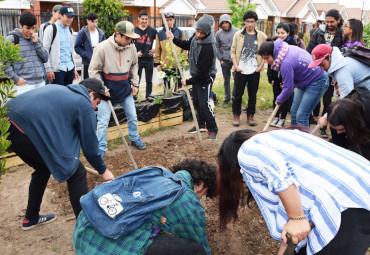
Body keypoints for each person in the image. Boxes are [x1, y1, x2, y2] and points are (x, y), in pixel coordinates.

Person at [217, 128, 370, 255]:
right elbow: (296, 204)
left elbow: (282, 175)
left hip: (345, 205)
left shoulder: (247, 150)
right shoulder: (283, 137)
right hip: (361, 191)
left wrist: (296, 218)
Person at [6, 78, 115, 230]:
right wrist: (103, 170)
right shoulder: (83, 104)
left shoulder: (64, 92)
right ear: (91, 95)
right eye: (98, 102)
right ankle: (85, 229)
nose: (96, 107)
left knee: (42, 168)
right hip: (22, 127)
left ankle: (30, 218)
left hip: (7, 122)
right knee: (76, 173)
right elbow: (90, 147)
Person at [73, 159, 216, 255]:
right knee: (196, 250)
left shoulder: (156, 171)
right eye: (203, 194)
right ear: (199, 185)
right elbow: (199, 239)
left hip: (82, 231)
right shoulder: (186, 198)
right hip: (104, 248)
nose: (200, 199)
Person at [89, 21, 147, 157]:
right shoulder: (102, 48)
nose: (129, 41)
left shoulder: (131, 48)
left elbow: (134, 66)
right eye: (127, 38)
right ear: (117, 34)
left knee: (132, 116)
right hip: (107, 91)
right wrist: (102, 89)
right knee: (103, 121)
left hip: (125, 89)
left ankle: (134, 138)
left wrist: (135, 84)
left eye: (131, 38)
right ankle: (101, 147)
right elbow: (93, 71)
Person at [167, 14, 218, 140]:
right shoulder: (195, 38)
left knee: (204, 104)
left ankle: (212, 129)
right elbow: (186, 45)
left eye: (202, 33)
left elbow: (203, 74)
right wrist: (173, 39)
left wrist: (188, 81)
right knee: (195, 102)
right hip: (197, 76)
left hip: (206, 78)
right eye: (197, 31)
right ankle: (201, 124)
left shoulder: (209, 47)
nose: (199, 35)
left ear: (207, 32)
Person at [258, 39, 329, 127]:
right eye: (263, 59)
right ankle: (293, 137)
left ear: (273, 53)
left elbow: (288, 89)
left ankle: (302, 139)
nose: (265, 61)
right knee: (294, 112)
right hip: (303, 81)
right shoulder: (282, 50)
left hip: (317, 80)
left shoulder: (285, 62)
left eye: (267, 58)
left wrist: (279, 99)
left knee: (301, 115)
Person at [307, 9, 346, 138]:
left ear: (338, 20)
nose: (329, 24)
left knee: (329, 100)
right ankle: (315, 118)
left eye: (332, 21)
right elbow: (310, 50)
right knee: (317, 96)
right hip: (319, 71)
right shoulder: (319, 32)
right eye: (327, 21)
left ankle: (327, 126)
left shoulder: (342, 35)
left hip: (334, 71)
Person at [231, 11, 267, 127]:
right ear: (244, 22)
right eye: (248, 21)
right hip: (240, 69)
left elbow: (265, 53)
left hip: (254, 70)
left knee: (252, 94)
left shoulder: (261, 36)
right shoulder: (238, 35)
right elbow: (233, 51)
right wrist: (236, 66)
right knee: (237, 94)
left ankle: (250, 115)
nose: (250, 24)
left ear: (255, 22)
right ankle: (236, 115)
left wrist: (260, 67)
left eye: (252, 22)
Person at [4, 11, 48, 96]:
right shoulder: (12, 39)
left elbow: (45, 58)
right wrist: (16, 78)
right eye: (28, 28)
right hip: (24, 85)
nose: (31, 31)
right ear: (21, 25)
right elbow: (4, 63)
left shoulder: (36, 39)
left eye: (33, 28)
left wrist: (36, 43)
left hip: (40, 82)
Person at [267, 23, 301, 128]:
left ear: (288, 33)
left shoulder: (292, 45)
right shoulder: (273, 44)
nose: (280, 35)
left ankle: (282, 118)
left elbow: (290, 65)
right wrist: (270, 78)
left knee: (285, 98)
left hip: (286, 78)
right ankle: (276, 117)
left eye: (283, 33)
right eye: (278, 33)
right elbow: (270, 63)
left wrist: (284, 81)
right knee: (276, 97)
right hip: (275, 78)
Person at [43, 6, 79, 86]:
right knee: (57, 95)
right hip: (57, 70)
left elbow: (71, 51)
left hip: (69, 68)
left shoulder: (70, 30)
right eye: (68, 17)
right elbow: (45, 50)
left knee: (68, 94)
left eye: (72, 17)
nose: (70, 19)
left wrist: (74, 68)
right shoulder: (51, 29)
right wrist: (48, 69)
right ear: (61, 16)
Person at [154, 12, 186, 90]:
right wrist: (158, 63)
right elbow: (157, 49)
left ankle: (178, 99)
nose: (169, 22)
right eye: (167, 20)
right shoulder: (160, 34)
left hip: (177, 64)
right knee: (166, 86)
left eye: (171, 20)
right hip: (165, 65)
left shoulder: (180, 33)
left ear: (174, 20)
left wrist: (183, 61)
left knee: (178, 85)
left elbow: (184, 48)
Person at [215, 14, 239, 105]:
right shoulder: (218, 33)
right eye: (223, 23)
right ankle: (227, 98)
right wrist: (220, 59)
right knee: (226, 80)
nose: (225, 25)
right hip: (224, 59)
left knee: (236, 79)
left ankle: (234, 97)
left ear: (230, 22)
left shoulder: (237, 31)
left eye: (226, 23)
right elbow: (216, 47)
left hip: (235, 59)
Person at [74, 12, 106, 79]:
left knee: (98, 83)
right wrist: (86, 54)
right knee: (86, 84)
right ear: (88, 21)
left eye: (96, 22)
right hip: (87, 63)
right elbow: (77, 47)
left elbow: (104, 46)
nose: (95, 24)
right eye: (93, 22)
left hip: (99, 63)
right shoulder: (82, 33)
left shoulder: (101, 33)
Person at [134, 10, 158, 99]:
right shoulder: (134, 30)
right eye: (142, 19)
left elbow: (160, 40)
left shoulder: (152, 30)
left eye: (146, 19)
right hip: (138, 59)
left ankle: (148, 96)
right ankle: (135, 97)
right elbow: (129, 44)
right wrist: (135, 54)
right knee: (137, 80)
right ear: (138, 19)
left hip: (149, 59)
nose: (144, 21)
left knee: (149, 80)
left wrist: (155, 49)